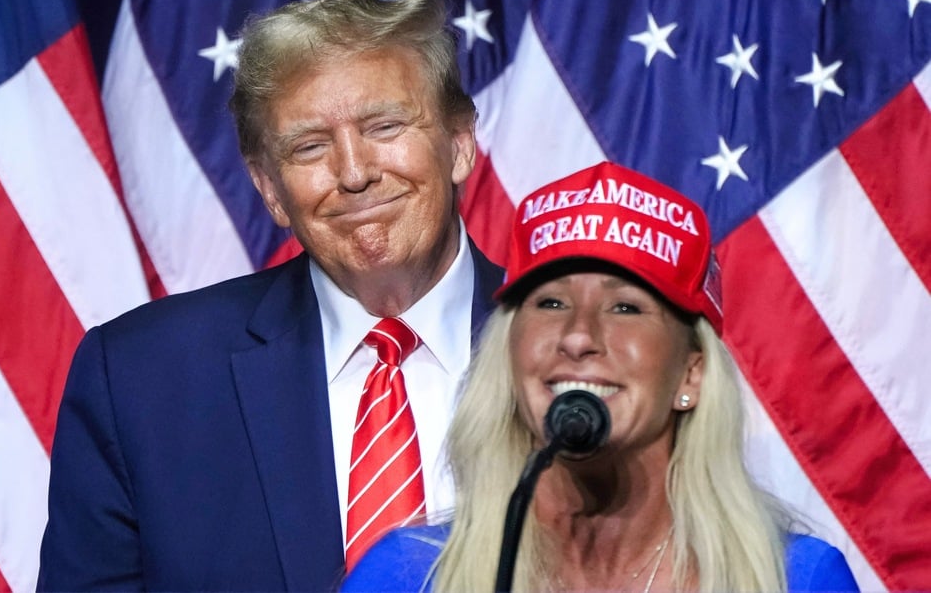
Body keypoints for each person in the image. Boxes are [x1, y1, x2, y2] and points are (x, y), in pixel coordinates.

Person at [37, 0, 503, 592]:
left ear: (460, 142)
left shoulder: (570, 352)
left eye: (384, 126)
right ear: (270, 188)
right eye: (310, 146)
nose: (355, 172)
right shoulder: (140, 380)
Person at [341, 161, 859, 592]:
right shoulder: (404, 577)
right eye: (551, 302)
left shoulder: (795, 579)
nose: (578, 335)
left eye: (626, 308)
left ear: (692, 372)